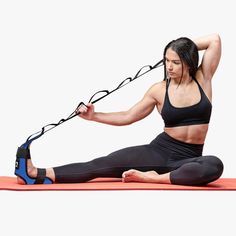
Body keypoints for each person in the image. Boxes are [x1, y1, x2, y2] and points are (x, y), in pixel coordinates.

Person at [17, 33, 224, 186]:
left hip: (190, 158)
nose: (169, 66)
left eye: (176, 62)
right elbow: (128, 116)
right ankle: (35, 172)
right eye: (167, 61)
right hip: (159, 152)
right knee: (100, 165)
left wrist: (183, 47)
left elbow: (214, 39)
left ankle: (151, 178)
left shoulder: (203, 79)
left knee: (214, 165)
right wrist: (94, 116)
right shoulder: (159, 90)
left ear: (188, 62)